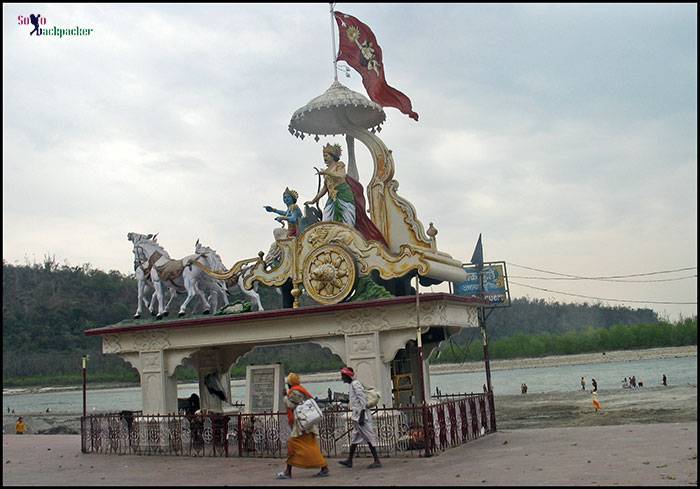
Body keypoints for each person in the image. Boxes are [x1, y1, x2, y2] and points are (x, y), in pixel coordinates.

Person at [304, 143, 387, 246]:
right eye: (323, 156)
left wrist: (327, 173)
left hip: (344, 196)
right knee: (327, 219)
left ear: (332, 156)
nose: (324, 158)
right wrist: (314, 200)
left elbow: (341, 175)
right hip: (332, 199)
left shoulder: (339, 165)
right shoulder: (326, 171)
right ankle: (330, 244)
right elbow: (325, 189)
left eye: (326, 155)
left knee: (347, 221)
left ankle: (349, 243)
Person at [276, 373, 329, 480]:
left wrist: (284, 397)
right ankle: (323, 467)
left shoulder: (295, 391)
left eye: (288, 383)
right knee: (310, 447)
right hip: (306, 425)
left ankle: (288, 472)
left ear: (290, 383)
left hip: (302, 426)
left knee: (293, 445)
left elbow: (291, 405)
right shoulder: (300, 389)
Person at [338, 366, 382, 469]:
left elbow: (362, 399)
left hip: (361, 416)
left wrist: (362, 414)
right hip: (357, 416)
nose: (342, 378)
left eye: (343, 376)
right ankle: (349, 460)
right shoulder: (352, 385)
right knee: (355, 438)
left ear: (347, 376)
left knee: (369, 437)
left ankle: (377, 461)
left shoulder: (355, 384)